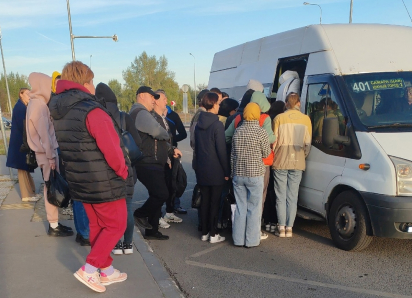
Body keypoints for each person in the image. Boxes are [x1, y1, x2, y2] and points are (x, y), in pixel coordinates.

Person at [49, 61, 129, 293]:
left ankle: (106, 269)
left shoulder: (60, 109)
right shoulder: (91, 110)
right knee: (116, 224)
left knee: (97, 224)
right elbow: (112, 148)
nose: (93, 86)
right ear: (85, 83)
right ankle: (90, 268)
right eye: (92, 81)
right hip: (102, 179)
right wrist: (122, 171)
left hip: (78, 177)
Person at [130, 86, 182, 240]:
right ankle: (139, 215)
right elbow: (158, 132)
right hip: (147, 161)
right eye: (151, 96)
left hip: (151, 160)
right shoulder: (140, 113)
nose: (154, 99)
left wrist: (168, 149)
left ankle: (152, 230)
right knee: (161, 194)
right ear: (141, 96)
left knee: (156, 194)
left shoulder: (140, 112)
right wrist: (166, 134)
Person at [26, 73, 73, 238]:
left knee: (50, 187)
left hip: (44, 154)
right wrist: (52, 156)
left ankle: (55, 223)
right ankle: (53, 225)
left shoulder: (35, 103)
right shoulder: (38, 105)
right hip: (46, 155)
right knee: (51, 188)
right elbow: (44, 135)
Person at [95, 82, 141, 255]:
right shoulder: (124, 117)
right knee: (127, 207)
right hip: (127, 169)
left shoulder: (97, 117)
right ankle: (128, 245)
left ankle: (115, 244)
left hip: (106, 171)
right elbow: (138, 143)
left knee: (111, 211)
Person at [231, 103, 271, 247]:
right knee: (254, 208)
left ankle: (238, 239)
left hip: (238, 174)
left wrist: (232, 172)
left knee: (240, 207)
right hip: (255, 175)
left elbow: (233, 155)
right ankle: (252, 241)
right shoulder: (261, 132)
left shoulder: (238, 131)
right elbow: (266, 153)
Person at [272, 93, 312, 238]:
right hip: (298, 160)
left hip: (280, 160)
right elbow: (308, 143)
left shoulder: (279, 118)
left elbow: (274, 141)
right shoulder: (306, 119)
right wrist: (302, 155)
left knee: (280, 195)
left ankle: (281, 227)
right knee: (293, 195)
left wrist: (276, 154)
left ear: (286, 103)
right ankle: (290, 228)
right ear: (299, 103)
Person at [195, 92, 230, 243]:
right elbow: (221, 150)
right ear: (213, 105)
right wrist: (227, 171)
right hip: (216, 169)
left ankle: (204, 232)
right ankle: (214, 234)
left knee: (204, 201)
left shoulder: (198, 124)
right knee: (215, 202)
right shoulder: (217, 125)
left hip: (201, 168)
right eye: (218, 104)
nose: (219, 107)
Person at [152, 90, 184, 226]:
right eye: (164, 99)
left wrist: (172, 150)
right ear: (157, 100)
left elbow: (171, 137)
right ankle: (156, 217)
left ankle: (169, 212)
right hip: (160, 159)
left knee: (174, 184)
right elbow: (157, 142)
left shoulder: (166, 117)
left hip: (170, 155)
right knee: (160, 190)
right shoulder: (153, 118)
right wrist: (168, 154)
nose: (166, 101)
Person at [7, 88, 40, 202]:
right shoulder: (20, 108)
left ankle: (31, 192)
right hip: (20, 143)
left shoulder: (23, 106)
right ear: (21, 94)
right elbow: (24, 126)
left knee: (25, 168)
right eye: (27, 94)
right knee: (22, 169)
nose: (29, 96)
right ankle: (26, 195)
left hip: (22, 142)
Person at [164, 94, 187, 214]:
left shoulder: (173, 115)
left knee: (175, 179)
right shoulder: (152, 115)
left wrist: (172, 142)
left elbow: (183, 134)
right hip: (160, 154)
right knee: (161, 181)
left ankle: (175, 205)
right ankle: (159, 209)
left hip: (173, 153)